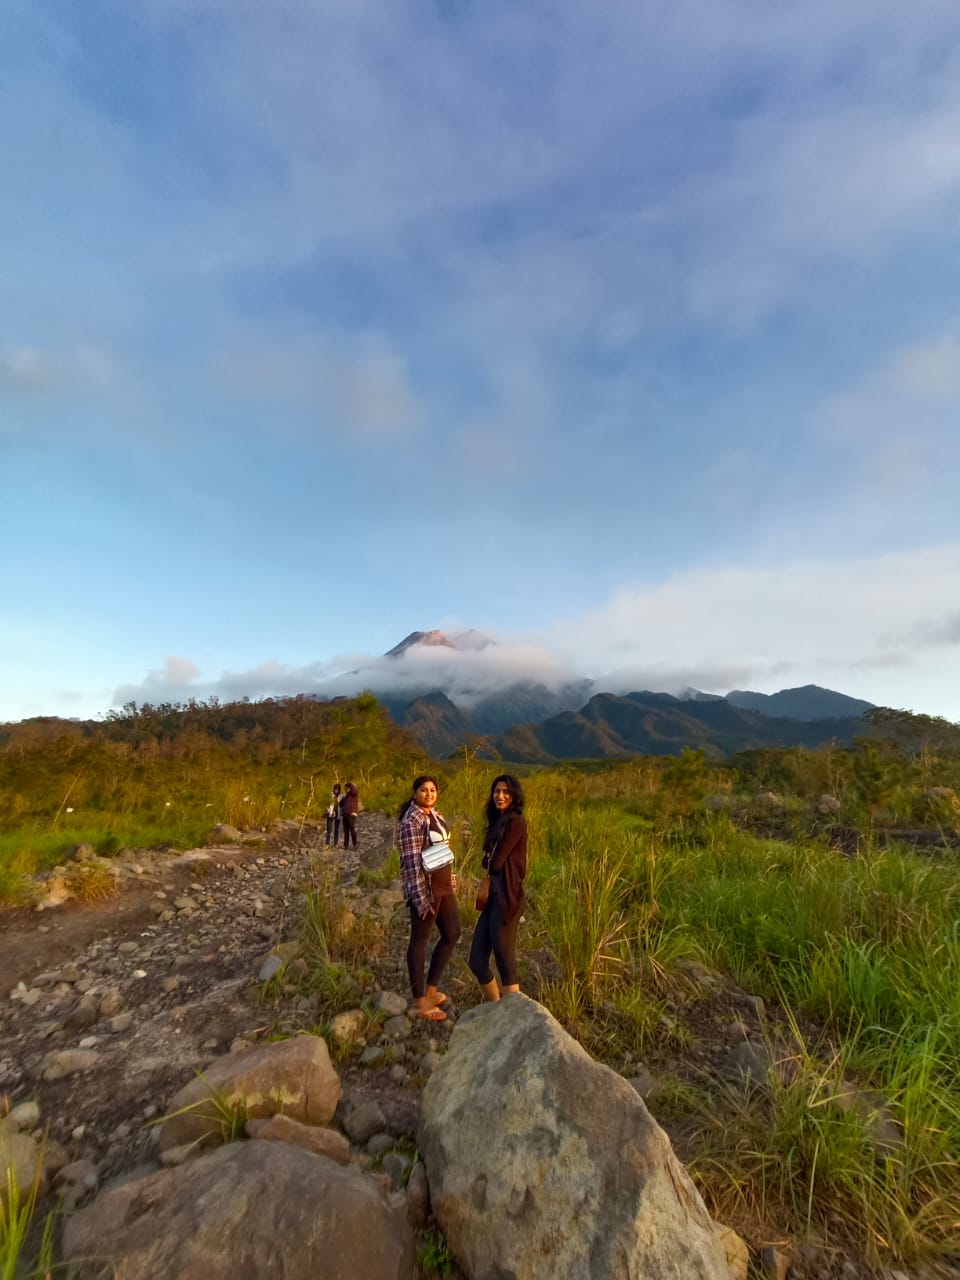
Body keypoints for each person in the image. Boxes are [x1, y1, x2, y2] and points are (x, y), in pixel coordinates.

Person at [397, 775, 462, 1021]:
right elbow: (411, 862)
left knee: (452, 932)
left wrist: (451, 881)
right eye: (423, 790)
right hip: (426, 887)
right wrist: (420, 896)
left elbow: (444, 849)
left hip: (443, 885)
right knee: (420, 939)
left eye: (433, 790)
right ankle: (419, 1001)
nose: (429, 793)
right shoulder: (411, 821)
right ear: (414, 793)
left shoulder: (435, 814)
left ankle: (431, 990)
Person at [469, 774, 527, 1001]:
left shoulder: (516, 822)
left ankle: (513, 1014)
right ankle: (496, 1006)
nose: (500, 796)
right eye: (497, 791)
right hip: (493, 896)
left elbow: (495, 862)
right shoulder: (498, 822)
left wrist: (491, 860)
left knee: (504, 959)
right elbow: (490, 862)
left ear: (514, 796)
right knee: (477, 960)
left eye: (506, 792)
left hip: (507, 897)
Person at [340, 781, 360, 849]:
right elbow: (343, 805)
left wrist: (351, 785)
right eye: (345, 789)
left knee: (352, 829)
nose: (345, 790)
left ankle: (355, 844)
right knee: (346, 831)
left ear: (350, 788)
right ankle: (346, 845)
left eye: (346, 788)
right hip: (345, 815)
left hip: (351, 814)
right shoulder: (346, 796)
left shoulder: (354, 794)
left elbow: (354, 790)